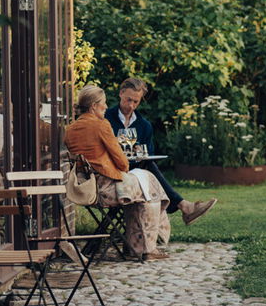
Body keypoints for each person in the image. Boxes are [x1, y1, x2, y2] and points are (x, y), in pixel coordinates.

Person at [65, 85, 171, 262]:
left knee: (142, 188)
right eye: (103, 104)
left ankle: (135, 247)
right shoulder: (101, 125)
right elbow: (122, 163)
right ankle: (147, 248)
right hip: (107, 189)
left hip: (86, 187)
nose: (106, 107)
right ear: (93, 107)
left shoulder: (70, 129)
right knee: (149, 189)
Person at [105, 78, 217, 225]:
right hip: (113, 169)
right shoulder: (106, 118)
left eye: (136, 102)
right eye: (128, 100)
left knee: (148, 166)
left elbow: (148, 154)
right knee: (150, 168)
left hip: (135, 170)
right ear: (121, 93)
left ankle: (183, 206)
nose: (131, 105)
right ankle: (184, 206)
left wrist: (139, 150)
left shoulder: (144, 125)